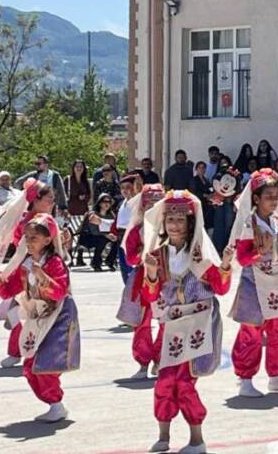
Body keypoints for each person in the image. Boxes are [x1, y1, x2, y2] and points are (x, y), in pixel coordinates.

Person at [142, 190, 233, 454]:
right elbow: (149, 295)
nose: (174, 225)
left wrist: (225, 264)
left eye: (180, 220)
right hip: (174, 323)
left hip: (201, 321)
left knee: (185, 382)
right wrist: (149, 272)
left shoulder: (200, 253)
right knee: (164, 381)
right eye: (170, 219)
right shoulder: (157, 255)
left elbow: (221, 288)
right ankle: (163, 435)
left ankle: (197, 439)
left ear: (190, 222)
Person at [0, 214, 80, 423]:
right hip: (37, 317)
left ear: (47, 240)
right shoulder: (26, 264)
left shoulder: (55, 263)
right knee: (30, 365)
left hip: (58, 317)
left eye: (34, 238)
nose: (29, 242)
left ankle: (56, 403)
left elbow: (59, 292)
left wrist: (43, 278)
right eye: (27, 238)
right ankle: (53, 404)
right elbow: (8, 291)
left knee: (45, 364)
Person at [229, 169, 278, 398]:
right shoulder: (249, 225)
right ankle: (245, 378)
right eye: (268, 196)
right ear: (256, 199)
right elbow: (242, 258)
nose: (273, 200)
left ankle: (275, 376)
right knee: (251, 331)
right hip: (254, 284)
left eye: (276, 195)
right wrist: (258, 254)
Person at [0, 179, 63, 369]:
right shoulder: (31, 221)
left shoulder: (45, 220)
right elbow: (21, 249)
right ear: (36, 200)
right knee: (22, 312)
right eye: (49, 199)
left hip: (45, 267)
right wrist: (3, 274)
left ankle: (34, 350)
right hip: (28, 268)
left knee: (41, 311)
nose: (52, 203)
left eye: (53, 199)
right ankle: (18, 350)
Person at [117, 184, 167, 379]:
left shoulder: (171, 227)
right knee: (142, 322)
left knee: (167, 320)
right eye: (149, 205)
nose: (153, 208)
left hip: (167, 279)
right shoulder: (137, 230)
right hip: (143, 279)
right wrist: (142, 255)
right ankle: (143, 362)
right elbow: (130, 257)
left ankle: (161, 359)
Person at [81, 193, 118, 271]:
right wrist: (106, 235)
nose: (107, 203)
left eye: (109, 202)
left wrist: (112, 235)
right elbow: (94, 231)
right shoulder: (93, 214)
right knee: (101, 239)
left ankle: (110, 261)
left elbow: (114, 227)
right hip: (88, 237)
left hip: (105, 236)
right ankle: (96, 262)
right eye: (105, 201)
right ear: (100, 203)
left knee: (117, 240)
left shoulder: (111, 214)